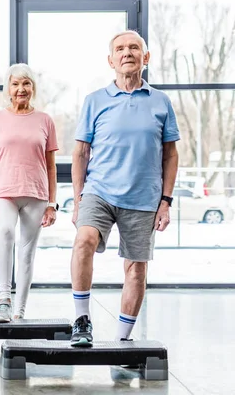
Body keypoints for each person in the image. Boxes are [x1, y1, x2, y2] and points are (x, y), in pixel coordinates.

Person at [69, 30, 180, 347]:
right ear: (110, 60)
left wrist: (166, 201)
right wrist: (78, 200)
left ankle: (122, 340)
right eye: (120, 48)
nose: (127, 52)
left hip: (144, 197)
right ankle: (81, 320)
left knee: (136, 270)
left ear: (146, 58)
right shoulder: (95, 100)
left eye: (134, 47)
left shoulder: (161, 101)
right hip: (99, 191)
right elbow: (79, 153)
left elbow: (170, 154)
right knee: (83, 241)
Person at [0, 63, 59, 322]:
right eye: (15, 84)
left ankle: (20, 310)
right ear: (8, 88)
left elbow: (50, 165)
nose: (21, 89)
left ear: (32, 88)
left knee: (27, 251)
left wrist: (52, 203)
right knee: (5, 232)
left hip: (36, 193)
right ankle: (4, 298)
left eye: (26, 84)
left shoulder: (45, 120)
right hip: (3, 190)